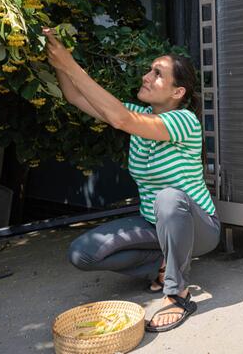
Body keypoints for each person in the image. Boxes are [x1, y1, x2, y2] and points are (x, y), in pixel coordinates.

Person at [42, 27, 220, 333]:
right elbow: (74, 95)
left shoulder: (184, 120)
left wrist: (71, 63)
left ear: (178, 92)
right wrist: (57, 62)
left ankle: (178, 293)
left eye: (157, 74)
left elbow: (120, 119)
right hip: (154, 225)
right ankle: (163, 264)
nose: (146, 77)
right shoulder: (139, 115)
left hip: (199, 226)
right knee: (82, 253)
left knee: (168, 197)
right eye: (149, 71)